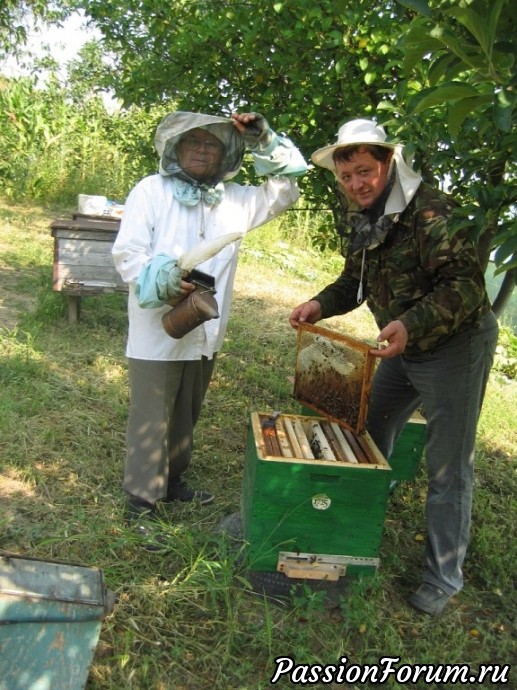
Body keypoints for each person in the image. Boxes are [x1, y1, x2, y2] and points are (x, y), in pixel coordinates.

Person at [289, 119, 498, 615]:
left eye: (364, 172)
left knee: (448, 466)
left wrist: (408, 323)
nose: (356, 184)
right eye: (346, 177)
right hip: (398, 346)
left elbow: (465, 286)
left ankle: (444, 577)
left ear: (387, 163)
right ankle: (347, 524)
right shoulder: (359, 214)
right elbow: (353, 281)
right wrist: (319, 304)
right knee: (365, 433)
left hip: (455, 347)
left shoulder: (433, 212)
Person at [113, 110, 307, 541]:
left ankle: (173, 482)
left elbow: (285, 190)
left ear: (226, 153)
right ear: (176, 149)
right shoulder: (151, 191)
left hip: (205, 327)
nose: (202, 150)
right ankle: (141, 503)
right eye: (193, 142)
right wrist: (164, 276)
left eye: (212, 144)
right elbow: (128, 255)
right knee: (152, 415)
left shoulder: (235, 199)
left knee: (187, 410)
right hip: (156, 328)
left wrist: (265, 140)